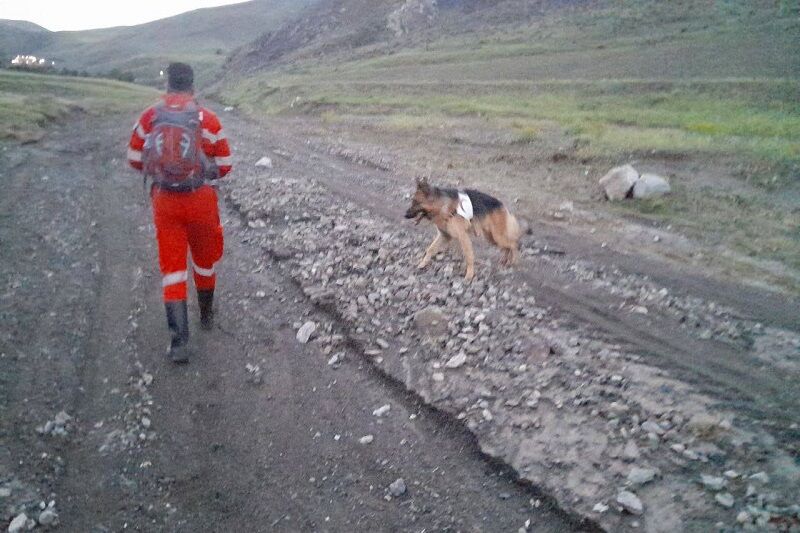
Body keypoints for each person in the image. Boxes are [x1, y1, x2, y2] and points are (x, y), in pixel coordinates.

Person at [127, 62, 232, 363]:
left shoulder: (150, 116)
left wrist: (163, 172)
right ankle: (207, 316)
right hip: (200, 199)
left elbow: (134, 159)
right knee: (204, 260)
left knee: (172, 268)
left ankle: (179, 343)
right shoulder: (208, 119)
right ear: (193, 87)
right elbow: (225, 165)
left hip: (165, 201)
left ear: (168, 86)